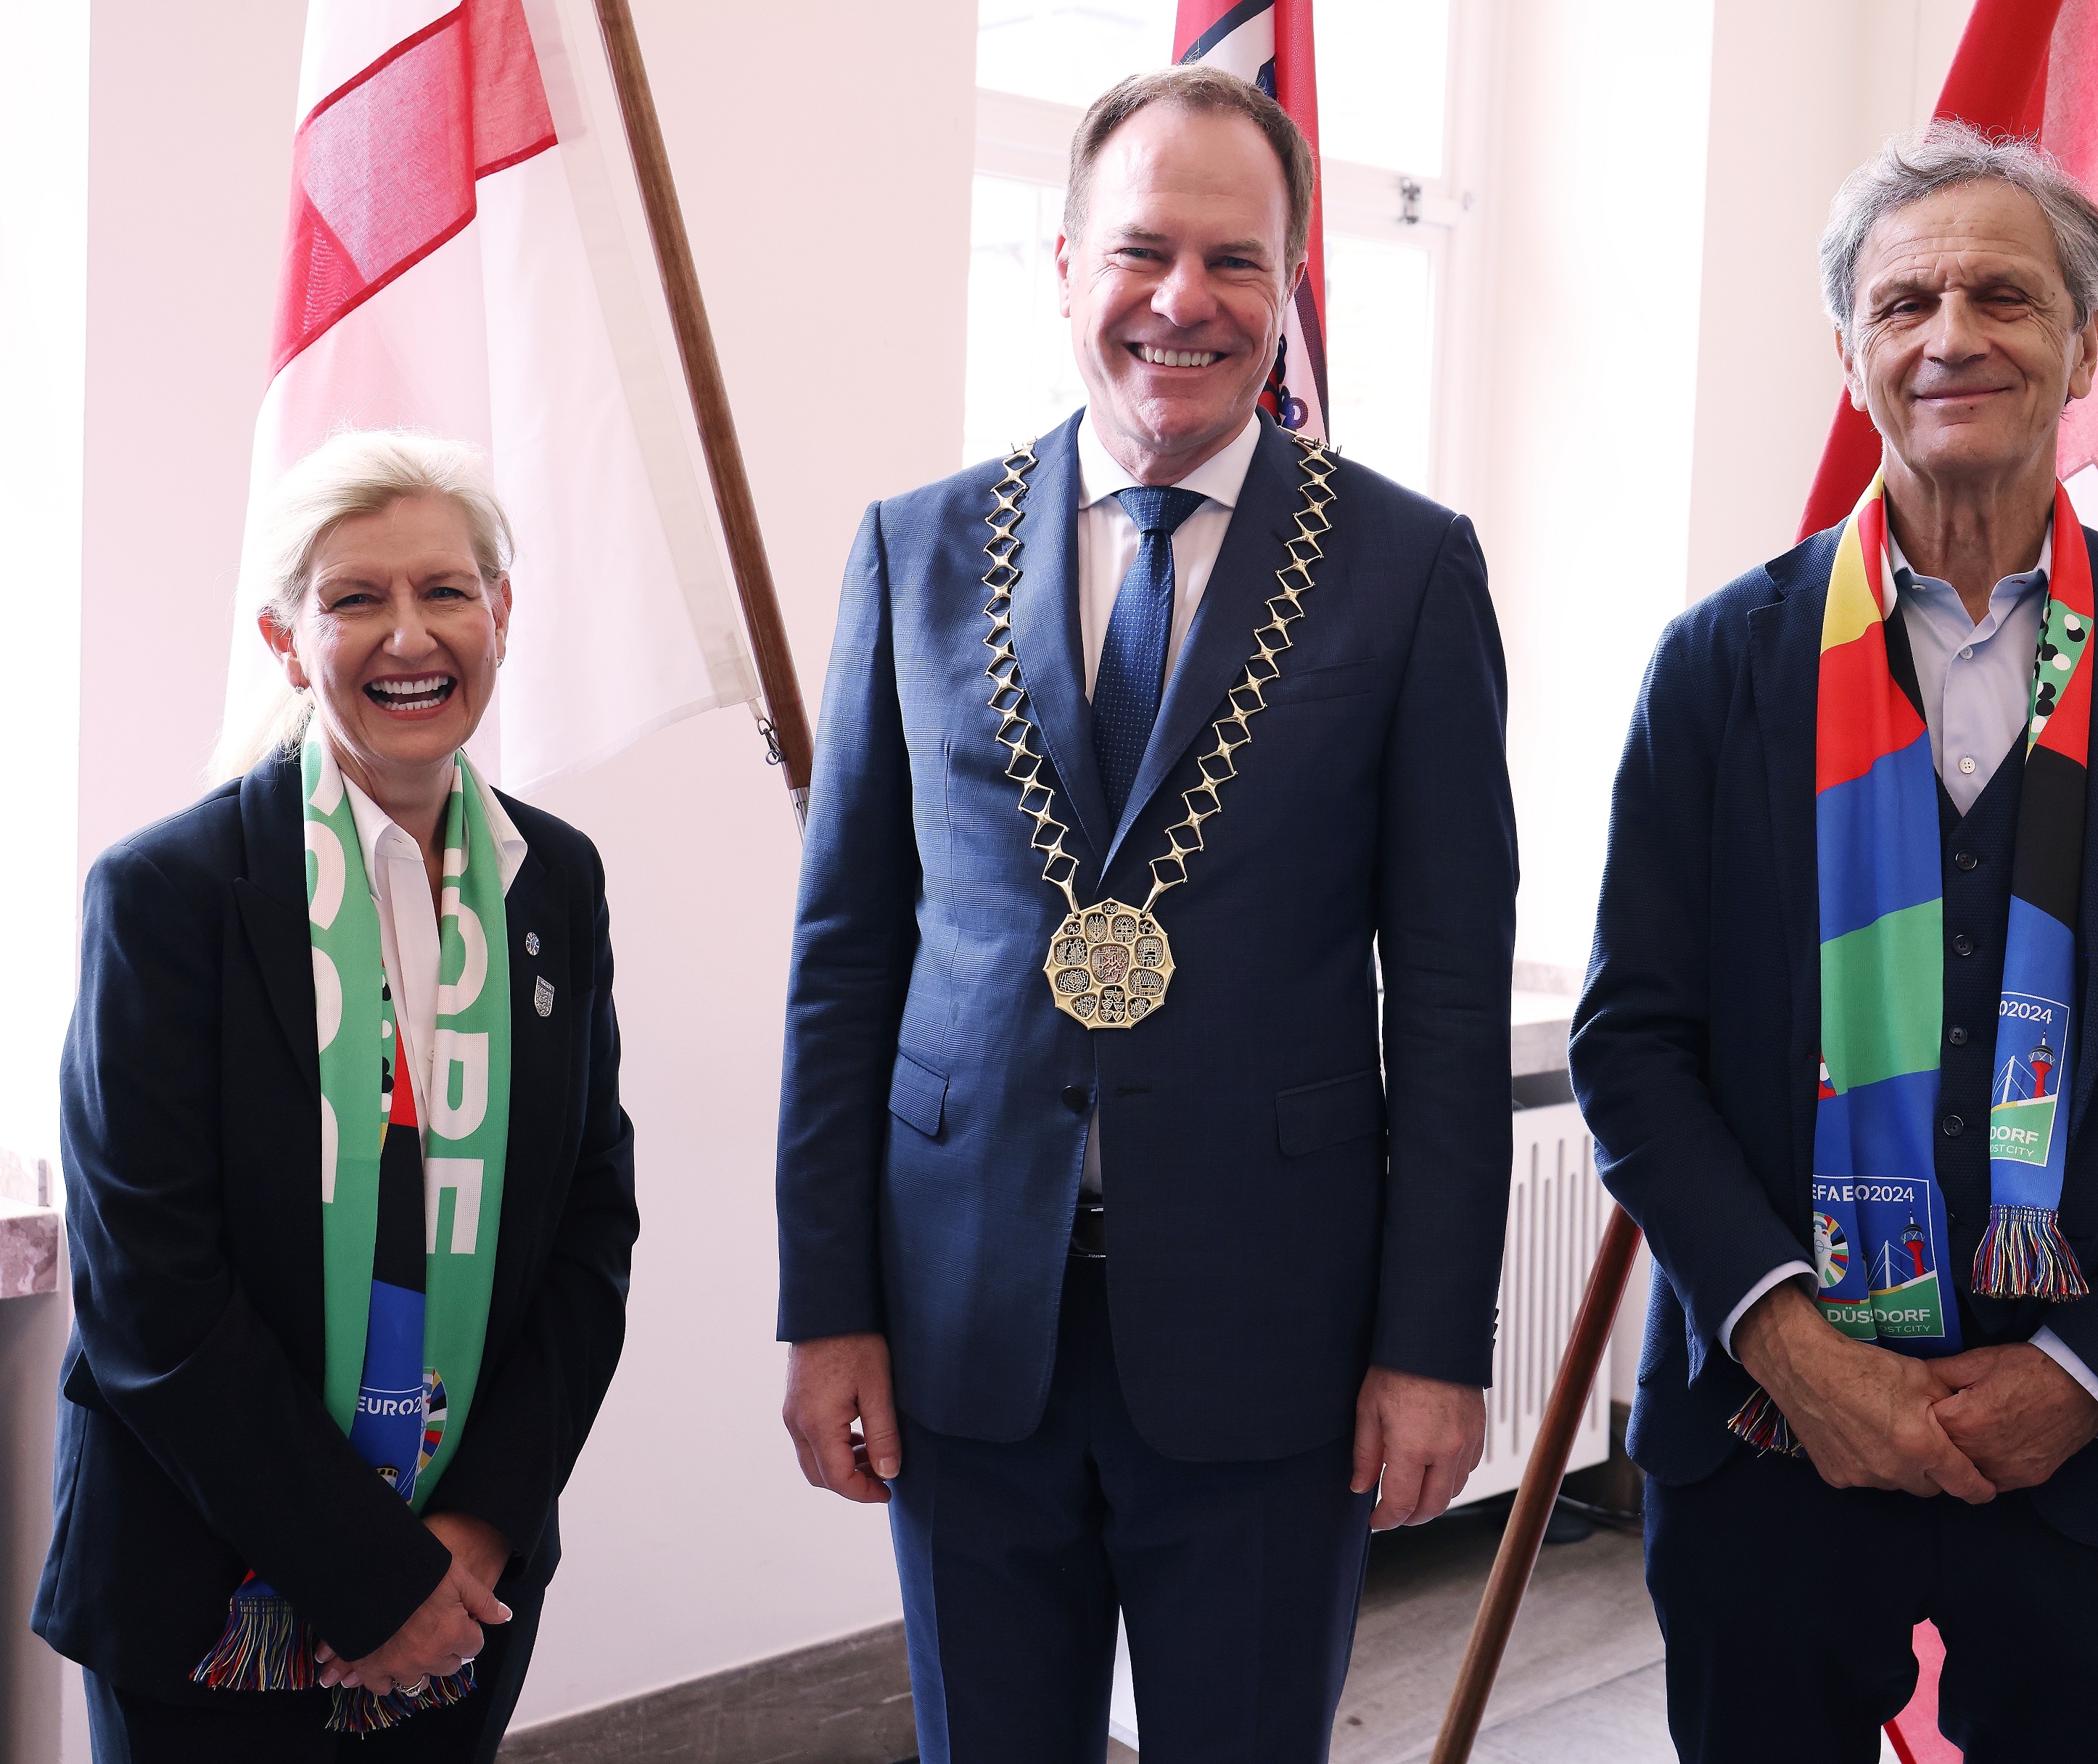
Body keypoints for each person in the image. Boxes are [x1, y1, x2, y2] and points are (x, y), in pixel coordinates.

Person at [774, 65, 1516, 1764]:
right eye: (1142, 250)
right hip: (965, 1326)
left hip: (1277, 1339)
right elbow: (847, 965)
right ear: (1060, 267)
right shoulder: (915, 550)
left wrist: (1432, 1343)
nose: (1184, 301)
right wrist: (828, 1304)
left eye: (1237, 262)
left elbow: (1455, 999)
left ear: (1290, 290)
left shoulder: (1408, 573)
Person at [1570, 123, 2098, 1760]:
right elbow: (1630, 1042)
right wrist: (1792, 1343)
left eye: (2005, 294)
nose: (1953, 334)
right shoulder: (1717, 670)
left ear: (2085, 342)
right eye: (1905, 301)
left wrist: (2091, 1370)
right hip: (1774, 1434)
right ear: (1849, 351)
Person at [37, 431, 639, 1763]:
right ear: (285, 639)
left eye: (445, 591)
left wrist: (473, 1530)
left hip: (465, 1590)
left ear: (501, 616)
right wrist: (375, 1579)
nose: (408, 634)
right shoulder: (169, 897)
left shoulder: (559, 884)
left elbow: (591, 1231)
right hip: (207, 1597)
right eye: (355, 597)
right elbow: (151, 1288)